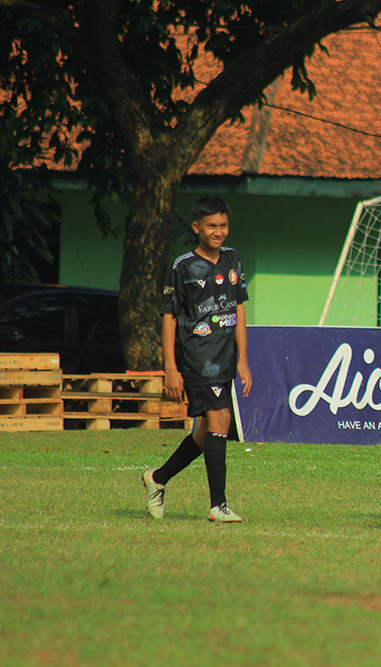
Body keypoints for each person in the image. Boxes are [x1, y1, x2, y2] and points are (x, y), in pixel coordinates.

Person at [142, 195, 252, 523]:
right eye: (211, 226)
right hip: (197, 357)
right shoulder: (183, 267)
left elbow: (239, 309)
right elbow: (169, 317)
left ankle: (157, 478)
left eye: (223, 225)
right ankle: (218, 505)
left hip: (225, 357)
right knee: (221, 420)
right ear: (197, 227)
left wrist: (243, 359)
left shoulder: (233, 260)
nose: (218, 232)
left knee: (207, 431)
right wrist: (170, 368)